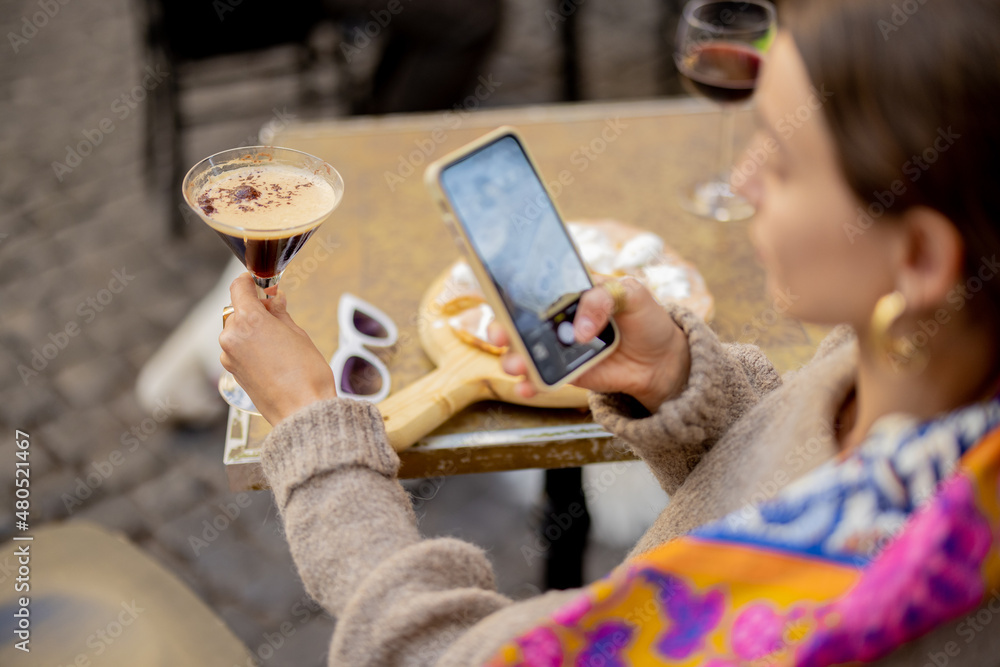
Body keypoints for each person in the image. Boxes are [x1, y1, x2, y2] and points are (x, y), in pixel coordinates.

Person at [218, 0, 1000, 663]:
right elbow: (784, 476)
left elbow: (433, 651)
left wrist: (315, 428)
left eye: (787, 161)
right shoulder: (923, 371)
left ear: (922, 256)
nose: (742, 178)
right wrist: (681, 380)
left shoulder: (847, 594)